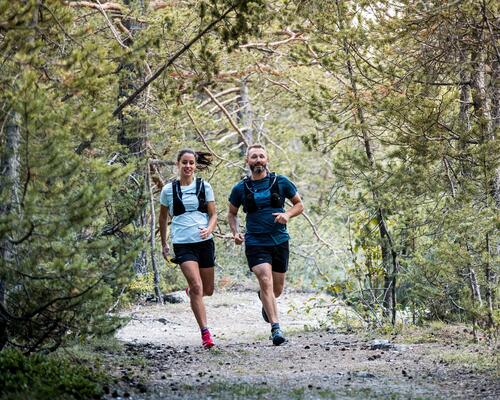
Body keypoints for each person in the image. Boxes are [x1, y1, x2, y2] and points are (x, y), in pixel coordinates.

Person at [227, 144, 304, 345]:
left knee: (276, 289)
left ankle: (265, 299)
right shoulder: (240, 188)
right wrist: (235, 232)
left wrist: (287, 214)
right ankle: (276, 329)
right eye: (254, 157)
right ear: (247, 161)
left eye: (261, 156)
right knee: (265, 279)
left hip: (279, 240)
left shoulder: (281, 182)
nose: (258, 160)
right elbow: (232, 213)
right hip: (255, 242)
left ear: (267, 160)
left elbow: (299, 205)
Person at [159, 149, 217, 349]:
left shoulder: (204, 186)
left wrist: (209, 229)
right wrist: (164, 244)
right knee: (198, 287)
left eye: (191, 162)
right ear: (178, 164)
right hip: (183, 243)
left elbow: (213, 215)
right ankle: (206, 334)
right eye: (184, 162)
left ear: (195, 165)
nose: (188, 166)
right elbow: (163, 218)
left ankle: (192, 292)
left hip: (204, 242)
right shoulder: (168, 190)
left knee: (207, 290)